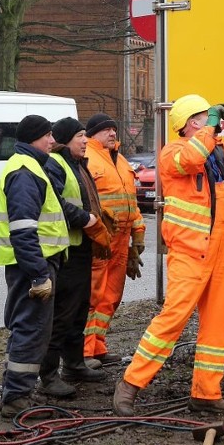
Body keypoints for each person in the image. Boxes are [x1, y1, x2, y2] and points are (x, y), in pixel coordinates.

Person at [112, 90, 224, 416]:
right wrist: (211, 128)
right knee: (171, 321)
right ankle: (129, 386)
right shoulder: (172, 153)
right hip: (189, 253)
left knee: (219, 326)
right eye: (203, 118)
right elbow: (190, 159)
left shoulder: (218, 152)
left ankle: (206, 393)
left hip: (218, 254)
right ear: (189, 125)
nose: (210, 123)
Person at [0, 115, 70, 418]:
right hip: (32, 266)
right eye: (48, 135)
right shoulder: (26, 171)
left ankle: (16, 394)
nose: (52, 141)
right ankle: (16, 400)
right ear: (35, 137)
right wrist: (39, 274)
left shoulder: (29, 166)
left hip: (31, 263)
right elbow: (23, 229)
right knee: (31, 330)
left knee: (28, 329)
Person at [38, 117, 110, 397]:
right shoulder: (57, 164)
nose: (84, 140)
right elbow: (56, 201)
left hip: (81, 247)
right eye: (80, 135)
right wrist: (85, 219)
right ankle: (48, 375)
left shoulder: (78, 164)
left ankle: (74, 363)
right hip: (66, 250)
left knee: (79, 309)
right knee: (63, 313)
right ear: (67, 139)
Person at [82, 114, 146, 368]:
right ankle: (84, 351)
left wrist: (138, 235)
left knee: (112, 295)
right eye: (106, 130)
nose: (112, 133)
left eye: (114, 129)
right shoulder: (87, 158)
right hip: (99, 239)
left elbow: (132, 200)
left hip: (121, 240)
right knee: (93, 294)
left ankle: (98, 345)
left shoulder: (120, 160)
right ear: (93, 134)